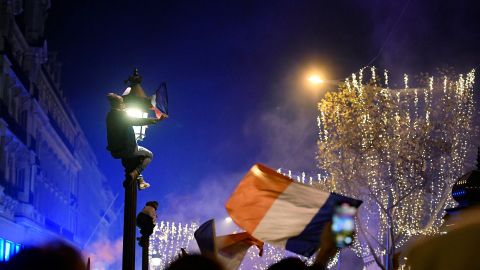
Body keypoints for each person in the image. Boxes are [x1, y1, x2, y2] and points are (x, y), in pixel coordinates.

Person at [106, 93, 166, 189]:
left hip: (115, 152)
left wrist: (123, 110)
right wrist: (156, 120)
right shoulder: (121, 116)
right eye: (122, 103)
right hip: (127, 149)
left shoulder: (109, 116)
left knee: (130, 161)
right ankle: (135, 173)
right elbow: (138, 121)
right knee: (149, 155)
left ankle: (140, 180)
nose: (123, 104)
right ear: (118, 104)